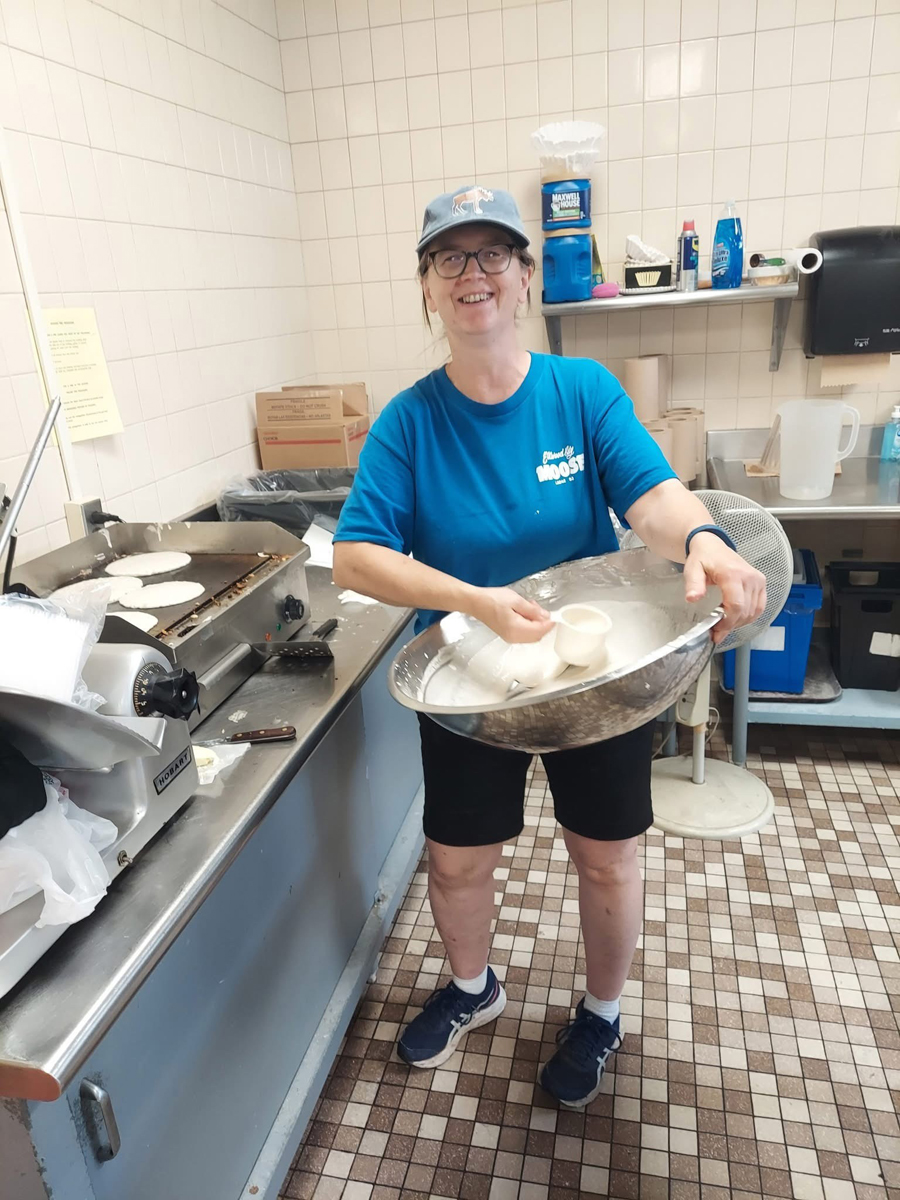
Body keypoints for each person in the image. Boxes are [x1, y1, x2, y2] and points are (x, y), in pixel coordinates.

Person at [332, 185, 765, 1108]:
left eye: (494, 254)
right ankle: (472, 988)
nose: (474, 273)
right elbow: (356, 555)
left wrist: (705, 539)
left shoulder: (582, 392)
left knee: (605, 855)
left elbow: (651, 495)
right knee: (458, 858)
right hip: (470, 678)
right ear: (427, 286)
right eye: (450, 257)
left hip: (592, 676)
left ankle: (602, 1013)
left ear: (526, 277)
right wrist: (474, 603)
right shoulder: (409, 421)